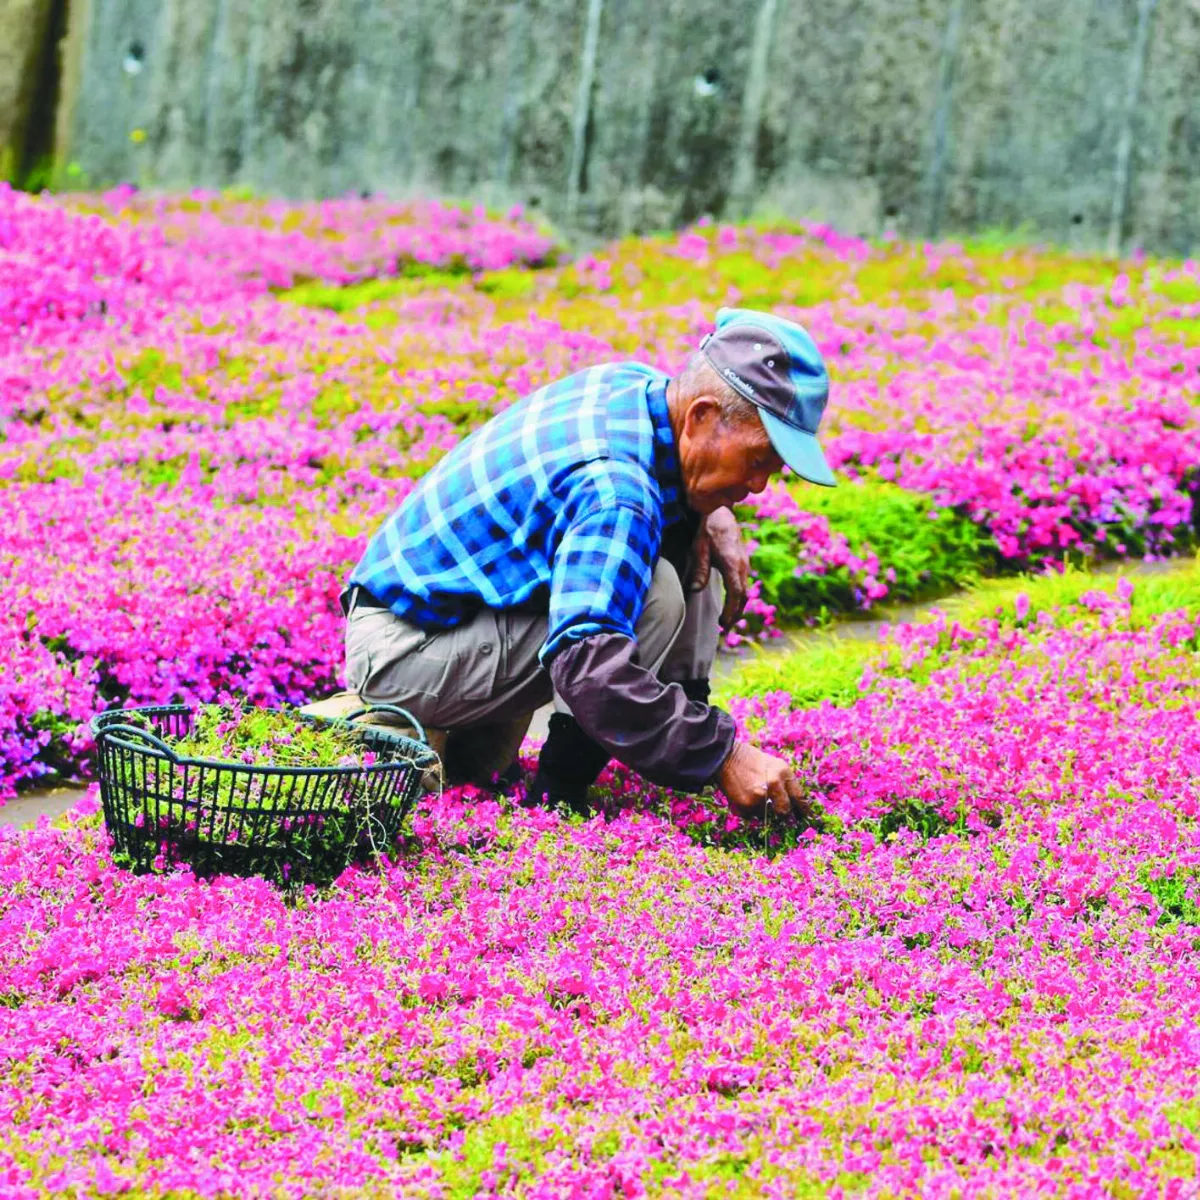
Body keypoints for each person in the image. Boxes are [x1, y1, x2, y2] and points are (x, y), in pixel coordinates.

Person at [326, 307, 835, 821]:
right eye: (757, 460)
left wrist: (709, 511)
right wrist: (722, 755)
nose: (758, 486)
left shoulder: (641, 389)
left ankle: (657, 726)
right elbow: (587, 664)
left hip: (453, 613)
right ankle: (556, 799)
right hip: (403, 647)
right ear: (701, 417)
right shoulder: (617, 489)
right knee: (655, 595)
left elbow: (667, 476)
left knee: (689, 554)